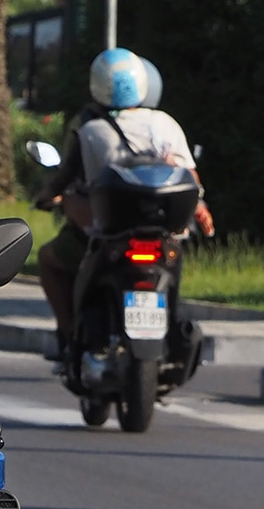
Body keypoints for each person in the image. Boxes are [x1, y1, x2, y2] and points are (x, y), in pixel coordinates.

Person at [34, 48, 215, 348]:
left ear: (97, 85)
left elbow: (65, 176)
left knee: (48, 259)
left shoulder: (90, 130)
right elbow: (192, 179)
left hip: (110, 233)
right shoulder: (165, 123)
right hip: (166, 234)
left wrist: (46, 196)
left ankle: (67, 337)